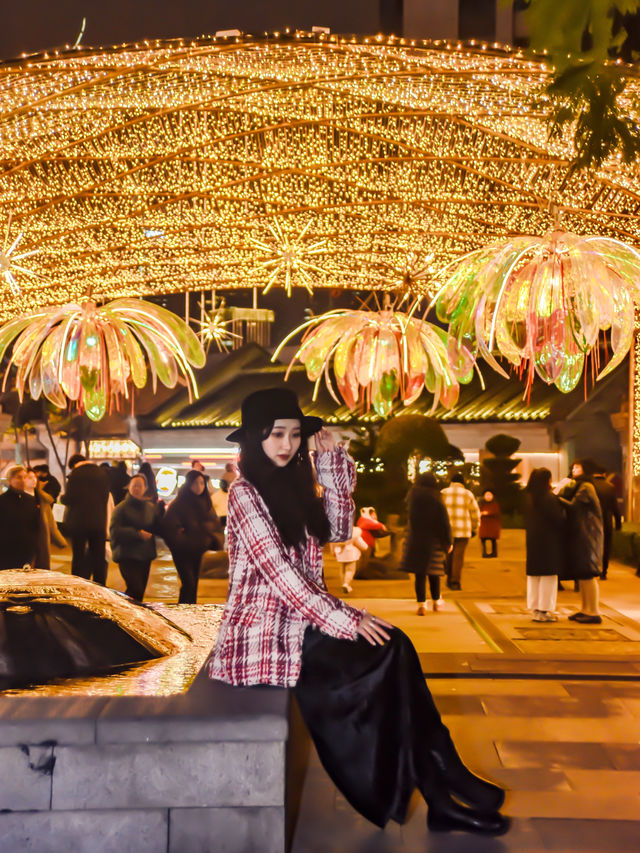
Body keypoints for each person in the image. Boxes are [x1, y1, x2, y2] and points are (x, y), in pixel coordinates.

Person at [209, 388, 509, 837]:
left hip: (303, 624)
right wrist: (349, 619)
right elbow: (279, 575)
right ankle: (443, 783)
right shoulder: (244, 495)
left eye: (294, 435)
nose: (287, 446)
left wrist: (331, 468)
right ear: (254, 440)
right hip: (265, 634)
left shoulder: (291, 485)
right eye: (275, 436)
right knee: (390, 653)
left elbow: (339, 530)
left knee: (397, 650)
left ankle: (443, 785)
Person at [163, 469, 224, 603]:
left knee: (194, 584)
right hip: (183, 553)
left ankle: (189, 610)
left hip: (199, 551)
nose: (199, 487)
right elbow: (169, 528)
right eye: (195, 483)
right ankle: (184, 611)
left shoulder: (206, 503)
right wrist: (183, 541)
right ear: (188, 484)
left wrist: (212, 540)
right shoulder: (178, 504)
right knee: (188, 583)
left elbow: (213, 524)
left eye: (202, 483)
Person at [557, 459, 604, 624]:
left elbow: (573, 506)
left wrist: (555, 496)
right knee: (583, 574)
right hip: (582, 534)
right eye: (573, 467)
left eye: (577, 467)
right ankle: (585, 609)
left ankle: (593, 611)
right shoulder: (581, 485)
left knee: (588, 574)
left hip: (588, 535)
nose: (574, 469)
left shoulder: (586, 487)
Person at [401, 473, 451, 615]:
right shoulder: (436, 499)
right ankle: (436, 602)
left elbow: (409, 520)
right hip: (433, 541)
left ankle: (421, 605)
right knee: (434, 573)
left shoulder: (412, 498)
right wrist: (447, 541)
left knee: (420, 574)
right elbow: (443, 522)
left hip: (416, 540)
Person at [110, 473, 163, 601]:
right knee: (135, 588)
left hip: (145, 555)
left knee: (139, 593)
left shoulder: (150, 508)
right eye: (134, 485)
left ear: (145, 488)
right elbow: (115, 531)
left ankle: (135, 616)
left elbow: (157, 527)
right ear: (129, 487)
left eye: (140, 486)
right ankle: (124, 611)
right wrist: (136, 533)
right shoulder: (121, 508)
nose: (136, 488)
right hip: (127, 555)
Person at [61, 453, 112, 585]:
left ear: (73, 465)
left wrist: (62, 498)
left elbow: (69, 498)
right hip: (99, 522)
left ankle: (78, 585)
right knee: (98, 557)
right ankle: (100, 586)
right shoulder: (101, 473)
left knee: (78, 556)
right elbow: (105, 498)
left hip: (79, 524)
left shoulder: (75, 474)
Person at [524, 469, 565, 622]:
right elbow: (558, 519)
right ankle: (545, 610)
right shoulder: (549, 498)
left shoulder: (529, 497)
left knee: (534, 576)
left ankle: (535, 608)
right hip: (549, 542)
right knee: (548, 576)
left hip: (533, 541)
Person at [441, 473, 480, 590]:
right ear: (462, 483)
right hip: (463, 530)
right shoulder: (468, 494)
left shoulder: (443, 493)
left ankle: (448, 573)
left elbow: (438, 511)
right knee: (458, 556)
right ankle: (455, 582)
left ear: (451, 482)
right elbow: (475, 513)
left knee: (448, 554)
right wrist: (474, 527)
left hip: (446, 530)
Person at [0, 465, 42, 570]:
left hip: (26, 549)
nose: (23, 480)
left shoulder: (31, 500)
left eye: (25, 477)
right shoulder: (2, 501)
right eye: (19, 477)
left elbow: (35, 525)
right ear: (10, 480)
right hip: (5, 549)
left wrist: (34, 547)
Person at [24, 468, 66, 571]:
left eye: (34, 477)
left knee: (41, 569)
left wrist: (59, 540)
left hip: (41, 539)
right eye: (30, 477)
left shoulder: (42, 498)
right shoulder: (19, 498)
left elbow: (50, 522)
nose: (33, 480)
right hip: (25, 540)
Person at [592, 465, 622, 580]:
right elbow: (615, 508)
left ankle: (593, 569)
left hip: (592, 522)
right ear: (604, 474)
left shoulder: (589, 486)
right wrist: (618, 524)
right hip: (606, 522)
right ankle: (603, 571)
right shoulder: (610, 487)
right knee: (606, 546)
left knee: (593, 546)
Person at [333, 522, 368, 594]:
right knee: (350, 570)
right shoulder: (355, 532)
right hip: (350, 552)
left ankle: (343, 584)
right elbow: (361, 544)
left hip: (339, 552)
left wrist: (332, 551)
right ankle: (346, 584)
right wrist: (365, 547)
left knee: (342, 569)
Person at [478, 490, 501, 558]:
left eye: (489, 495)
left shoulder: (495, 504)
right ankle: (484, 553)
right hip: (484, 525)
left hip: (493, 525)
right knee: (483, 540)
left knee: (493, 540)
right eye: (486, 495)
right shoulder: (481, 504)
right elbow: (478, 512)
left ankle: (494, 553)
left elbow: (495, 512)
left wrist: (485, 513)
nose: (488, 497)